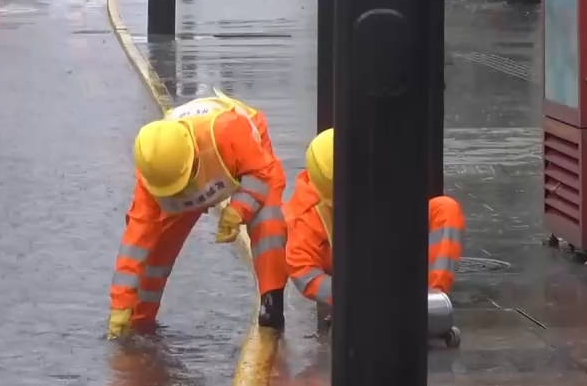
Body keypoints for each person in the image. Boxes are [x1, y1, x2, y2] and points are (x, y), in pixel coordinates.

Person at [108, 92, 289, 340]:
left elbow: (263, 174)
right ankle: (139, 321)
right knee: (156, 251)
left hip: (248, 161)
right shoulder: (155, 170)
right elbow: (135, 243)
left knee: (267, 219)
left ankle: (272, 302)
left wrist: (238, 210)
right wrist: (121, 304)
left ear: (193, 159)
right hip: (196, 164)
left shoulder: (229, 131)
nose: (181, 192)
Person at [284, 129, 466, 321]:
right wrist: (351, 299)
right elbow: (305, 273)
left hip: (389, 253)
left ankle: (433, 299)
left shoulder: (380, 166)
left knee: (446, 210)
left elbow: (405, 213)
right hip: (350, 279)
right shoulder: (305, 213)